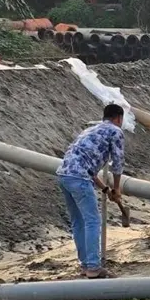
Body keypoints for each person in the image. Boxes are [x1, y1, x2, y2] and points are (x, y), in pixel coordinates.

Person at [56, 103, 126, 279]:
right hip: (79, 178)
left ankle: (86, 264)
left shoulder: (90, 131)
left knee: (79, 222)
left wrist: (105, 189)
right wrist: (117, 188)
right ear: (118, 118)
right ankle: (94, 267)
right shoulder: (115, 131)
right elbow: (117, 163)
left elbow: (88, 167)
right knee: (93, 221)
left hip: (64, 175)